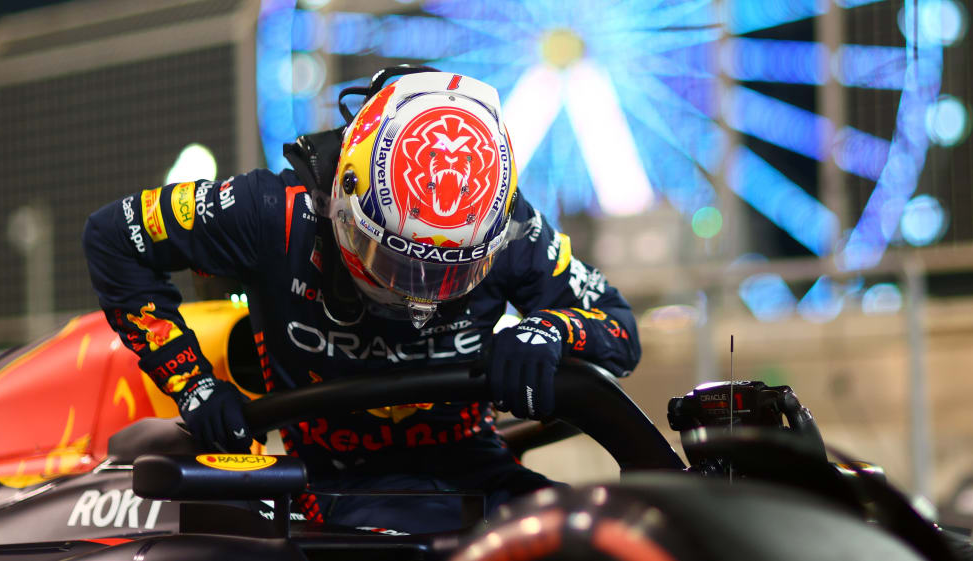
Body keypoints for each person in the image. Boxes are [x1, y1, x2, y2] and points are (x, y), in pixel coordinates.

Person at [83, 67, 641, 534]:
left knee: (613, 534)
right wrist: (194, 386)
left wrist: (548, 332)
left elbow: (618, 327)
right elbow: (113, 236)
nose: (417, 292)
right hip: (331, 484)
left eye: (451, 272)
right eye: (399, 261)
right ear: (346, 200)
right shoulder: (273, 213)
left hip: (477, 470)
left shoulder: (513, 224)